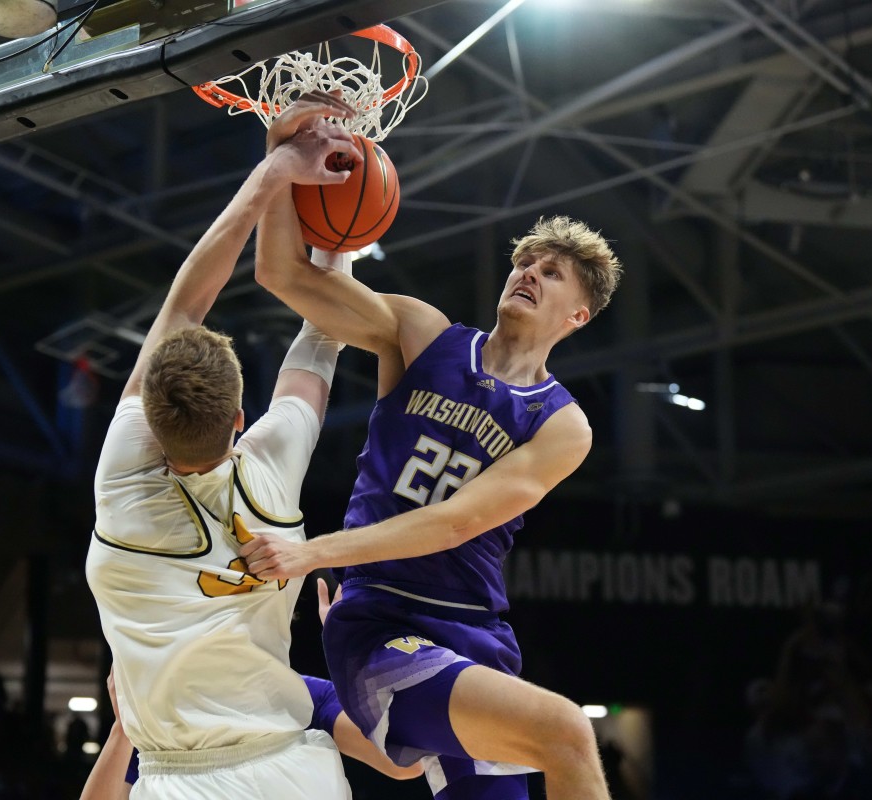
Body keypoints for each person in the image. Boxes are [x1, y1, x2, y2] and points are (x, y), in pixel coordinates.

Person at [240, 92, 624, 800]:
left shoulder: (562, 423)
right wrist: (281, 162)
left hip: (477, 635)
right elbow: (284, 276)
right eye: (525, 260)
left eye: (550, 270)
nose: (528, 272)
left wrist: (313, 553)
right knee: (566, 731)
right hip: (381, 624)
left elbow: (458, 521)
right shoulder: (423, 335)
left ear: (577, 314)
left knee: (548, 751)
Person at [84, 91, 367, 800]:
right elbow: (321, 339)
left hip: (176, 779)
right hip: (292, 771)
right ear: (240, 419)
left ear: (148, 417)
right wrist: (333, 239)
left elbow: (183, 306)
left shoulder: (122, 490)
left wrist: (277, 170)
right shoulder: (268, 475)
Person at [79, 583, 422, 800]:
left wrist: (354, 656)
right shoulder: (164, 719)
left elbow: (404, 766)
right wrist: (126, 726)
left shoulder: (304, 696)